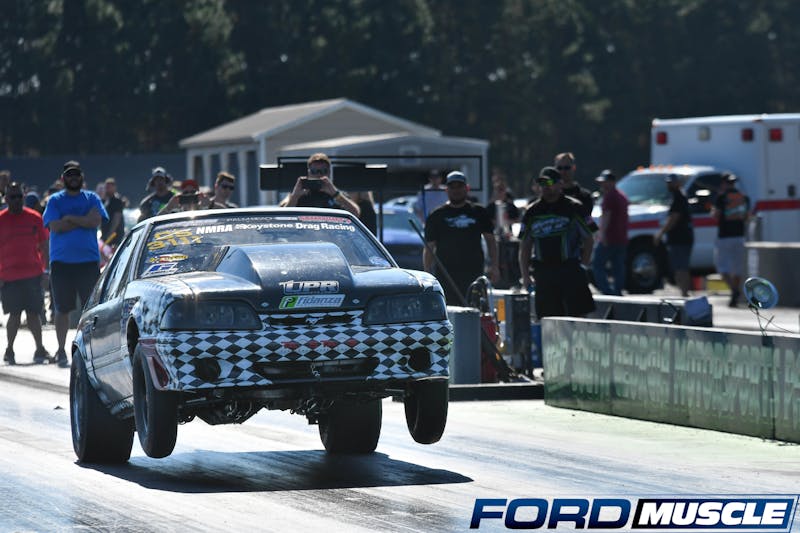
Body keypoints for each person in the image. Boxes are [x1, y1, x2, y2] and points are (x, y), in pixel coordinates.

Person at [42, 161, 109, 368]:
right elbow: (55, 226)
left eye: (76, 175)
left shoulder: (92, 198)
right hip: (61, 263)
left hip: (88, 262)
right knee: (62, 309)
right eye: (69, 175)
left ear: (82, 177)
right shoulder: (55, 201)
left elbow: (95, 222)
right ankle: (61, 349)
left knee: (92, 309)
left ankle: (92, 350)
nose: (73, 178)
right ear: (63, 179)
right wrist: (82, 219)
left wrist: (70, 218)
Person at [518, 167, 598, 319]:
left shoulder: (574, 207)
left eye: (549, 183)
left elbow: (589, 238)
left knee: (578, 317)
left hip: (570, 270)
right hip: (544, 273)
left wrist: (583, 266)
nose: (545, 187)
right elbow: (525, 246)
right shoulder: (532, 212)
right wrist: (525, 275)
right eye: (542, 183)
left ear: (559, 184)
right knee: (547, 320)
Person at [423, 171, 499, 305]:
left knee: (475, 309)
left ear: (467, 188)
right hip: (446, 275)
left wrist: (494, 266)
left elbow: (491, 241)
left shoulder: (479, 212)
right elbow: (429, 247)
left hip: (474, 273)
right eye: (452, 187)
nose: (456, 190)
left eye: (460, 186)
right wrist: (427, 273)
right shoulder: (436, 215)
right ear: (446, 190)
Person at [0, 182, 51, 365]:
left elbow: (44, 245)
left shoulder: (34, 218)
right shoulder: (1, 220)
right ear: (6, 199)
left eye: (19, 197)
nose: (16, 200)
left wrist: (46, 271)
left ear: (24, 197)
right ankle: (9, 349)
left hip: (33, 274)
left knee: (34, 314)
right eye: (12, 197)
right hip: (9, 276)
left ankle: (39, 348)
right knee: (14, 315)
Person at [712, 172, 751, 306]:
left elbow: (716, 215)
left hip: (724, 236)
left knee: (722, 267)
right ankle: (735, 292)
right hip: (739, 236)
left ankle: (734, 290)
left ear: (723, 183)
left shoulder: (721, 197)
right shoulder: (744, 197)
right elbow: (747, 217)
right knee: (737, 268)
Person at [281, 153, 360, 217]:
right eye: (314, 171)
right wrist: (295, 196)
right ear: (308, 173)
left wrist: (335, 194)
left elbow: (355, 214)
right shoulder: (299, 194)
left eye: (323, 171)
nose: (318, 175)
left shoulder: (337, 195)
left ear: (329, 173)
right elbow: (282, 216)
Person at [654, 173, 694, 297]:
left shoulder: (679, 197)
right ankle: (683, 292)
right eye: (668, 183)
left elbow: (674, 218)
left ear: (678, 183)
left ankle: (685, 293)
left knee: (681, 267)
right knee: (677, 267)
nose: (669, 185)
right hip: (677, 238)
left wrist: (660, 233)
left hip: (681, 238)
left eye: (671, 183)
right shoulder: (676, 196)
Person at [592, 170, 629, 296]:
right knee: (618, 266)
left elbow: (606, 217)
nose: (602, 185)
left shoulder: (609, 197)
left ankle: (606, 291)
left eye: (605, 182)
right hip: (622, 237)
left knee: (597, 264)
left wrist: (602, 235)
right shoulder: (622, 196)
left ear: (612, 182)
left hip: (609, 237)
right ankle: (618, 291)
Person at [554, 152, 594, 217]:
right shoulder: (551, 195)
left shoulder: (585, 196)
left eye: (567, 168)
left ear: (574, 168)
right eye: (559, 168)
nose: (563, 171)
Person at [486, 172, 520, 239]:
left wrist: (507, 222)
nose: (500, 192)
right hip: (494, 235)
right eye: (498, 190)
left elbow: (517, 220)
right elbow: (486, 221)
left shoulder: (511, 206)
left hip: (508, 234)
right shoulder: (490, 207)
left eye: (502, 190)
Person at [101, 177, 126, 247]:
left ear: (114, 188)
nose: (107, 189)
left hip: (115, 236)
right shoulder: (105, 201)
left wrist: (110, 233)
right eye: (106, 187)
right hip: (105, 234)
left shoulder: (117, 201)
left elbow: (116, 218)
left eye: (109, 187)